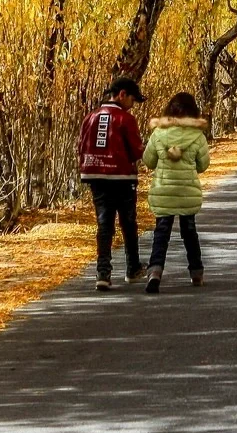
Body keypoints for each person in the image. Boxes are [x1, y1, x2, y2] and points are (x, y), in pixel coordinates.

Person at [78, 77, 146, 291]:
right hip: (122, 177)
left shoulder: (90, 117)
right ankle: (133, 268)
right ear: (122, 94)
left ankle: (103, 273)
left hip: (96, 176)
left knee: (104, 224)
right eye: (132, 100)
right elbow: (136, 151)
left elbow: (81, 145)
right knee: (128, 222)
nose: (132, 105)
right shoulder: (125, 119)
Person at [142, 92, 210, 293]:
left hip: (163, 189)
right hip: (187, 190)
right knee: (189, 232)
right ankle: (196, 273)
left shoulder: (158, 134)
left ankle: (155, 272)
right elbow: (203, 165)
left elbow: (148, 161)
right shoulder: (197, 136)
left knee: (161, 233)